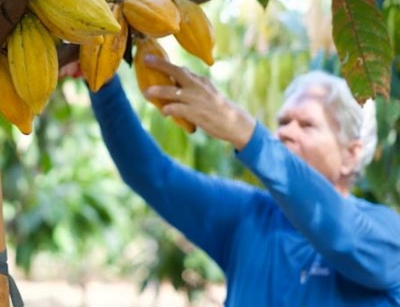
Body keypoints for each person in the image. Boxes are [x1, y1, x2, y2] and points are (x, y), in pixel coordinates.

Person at [62, 56, 400, 306]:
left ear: (351, 154)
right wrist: (102, 81)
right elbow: (152, 175)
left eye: (306, 125)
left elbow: (339, 233)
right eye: (282, 122)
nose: (285, 132)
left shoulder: (385, 236)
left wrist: (244, 131)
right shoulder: (248, 216)